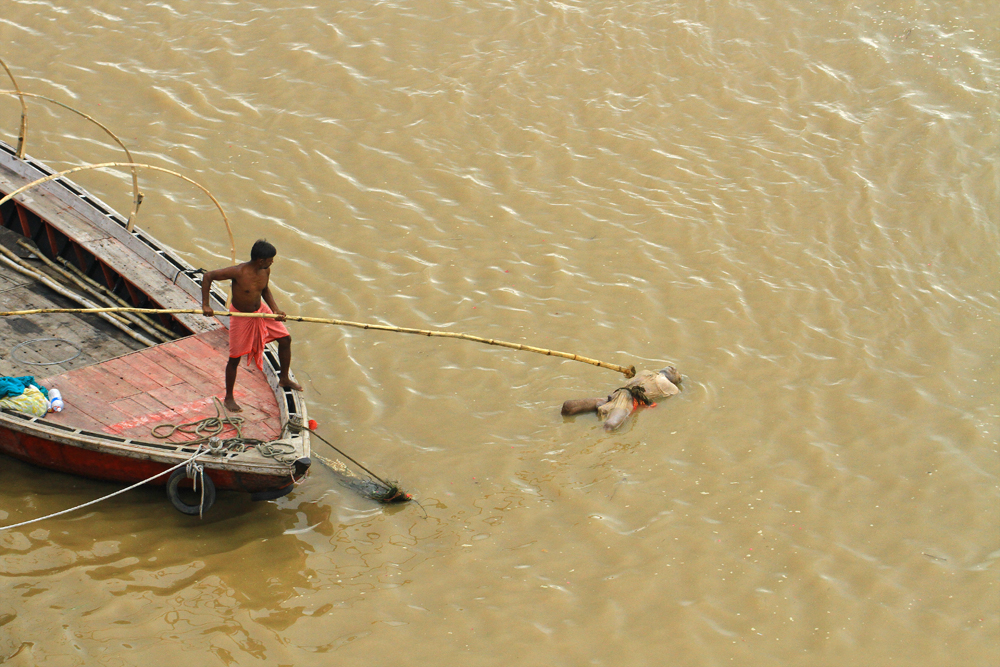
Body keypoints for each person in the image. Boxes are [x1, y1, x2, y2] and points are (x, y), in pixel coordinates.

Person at [201, 239, 302, 412]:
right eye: (270, 259)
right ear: (260, 260)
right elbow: (208, 276)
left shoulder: (265, 270)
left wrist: (276, 310)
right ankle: (229, 397)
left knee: (285, 339)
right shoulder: (238, 272)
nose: (272, 262)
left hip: (261, 311)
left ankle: (284, 378)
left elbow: (264, 289)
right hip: (241, 316)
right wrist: (205, 305)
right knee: (234, 358)